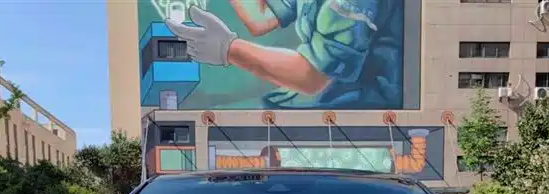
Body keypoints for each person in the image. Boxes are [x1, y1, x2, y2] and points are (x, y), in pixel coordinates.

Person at [164, 1, 403, 109]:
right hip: (314, 100)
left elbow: (311, 77)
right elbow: (260, 18)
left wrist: (227, 48)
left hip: (354, 109)